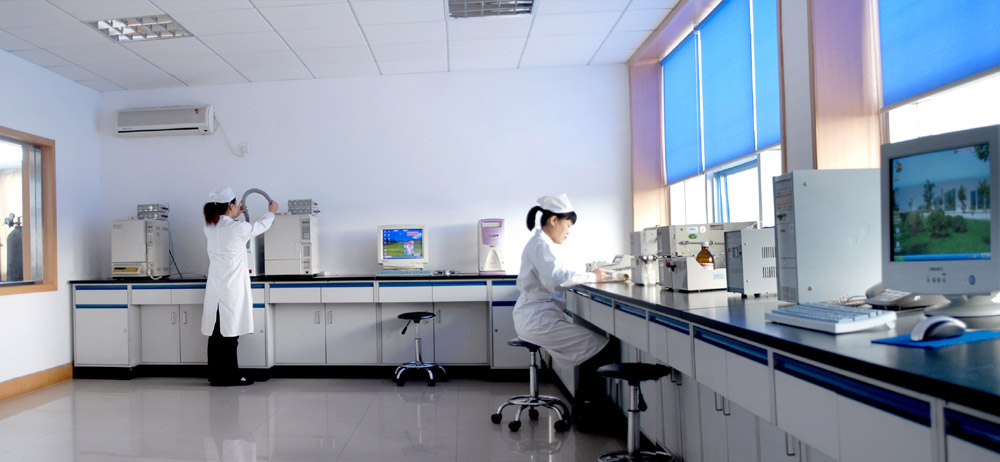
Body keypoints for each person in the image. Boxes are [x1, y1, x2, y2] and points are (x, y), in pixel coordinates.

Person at [512, 193, 618, 430]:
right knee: (602, 347)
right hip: (537, 319)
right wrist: (592, 276)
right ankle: (587, 413)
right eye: (568, 225)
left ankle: (586, 410)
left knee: (593, 347)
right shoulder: (540, 245)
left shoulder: (541, 245)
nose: (568, 232)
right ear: (554, 220)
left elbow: (556, 275)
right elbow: (554, 279)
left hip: (536, 316)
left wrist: (585, 276)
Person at [201, 187, 278, 386]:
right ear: (231, 206)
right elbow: (260, 226)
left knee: (216, 334)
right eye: (235, 205)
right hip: (231, 289)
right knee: (230, 335)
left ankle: (215, 375)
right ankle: (230, 376)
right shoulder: (238, 229)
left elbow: (227, 226)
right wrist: (271, 212)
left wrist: (234, 215)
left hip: (215, 288)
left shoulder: (209, 228)